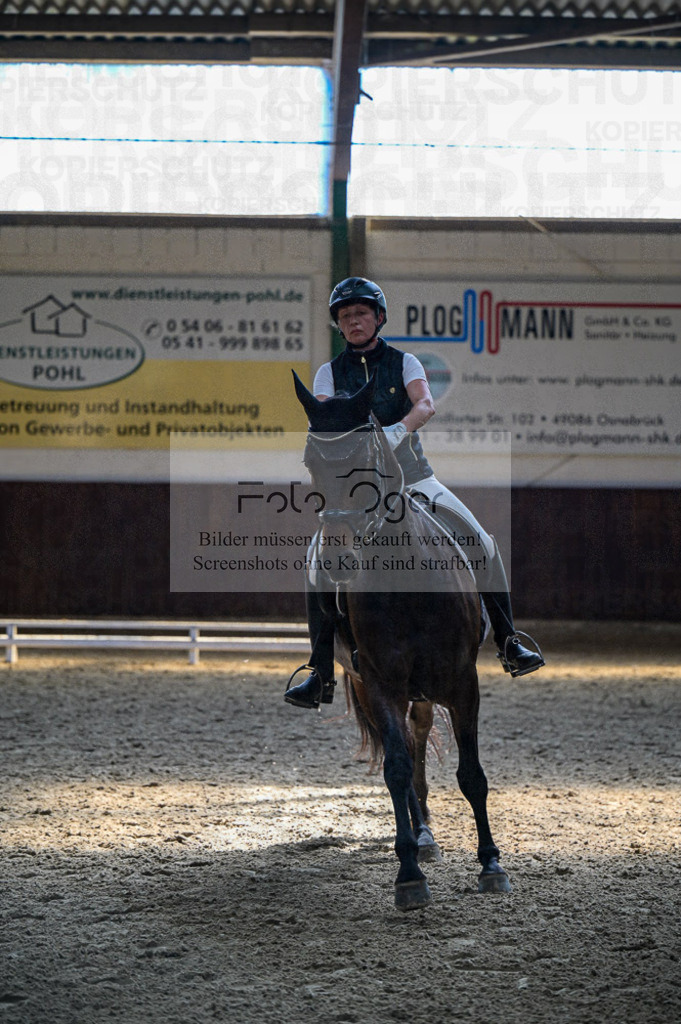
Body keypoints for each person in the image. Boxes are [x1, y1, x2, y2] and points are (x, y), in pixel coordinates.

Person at [285, 276, 544, 709]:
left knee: (482, 542)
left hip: (414, 478)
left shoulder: (404, 363)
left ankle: (509, 640)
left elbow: (425, 405)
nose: (353, 321)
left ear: (378, 318)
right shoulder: (328, 373)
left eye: (361, 313)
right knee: (316, 561)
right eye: (345, 317)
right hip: (358, 489)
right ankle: (319, 669)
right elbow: (327, 414)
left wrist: (395, 432)